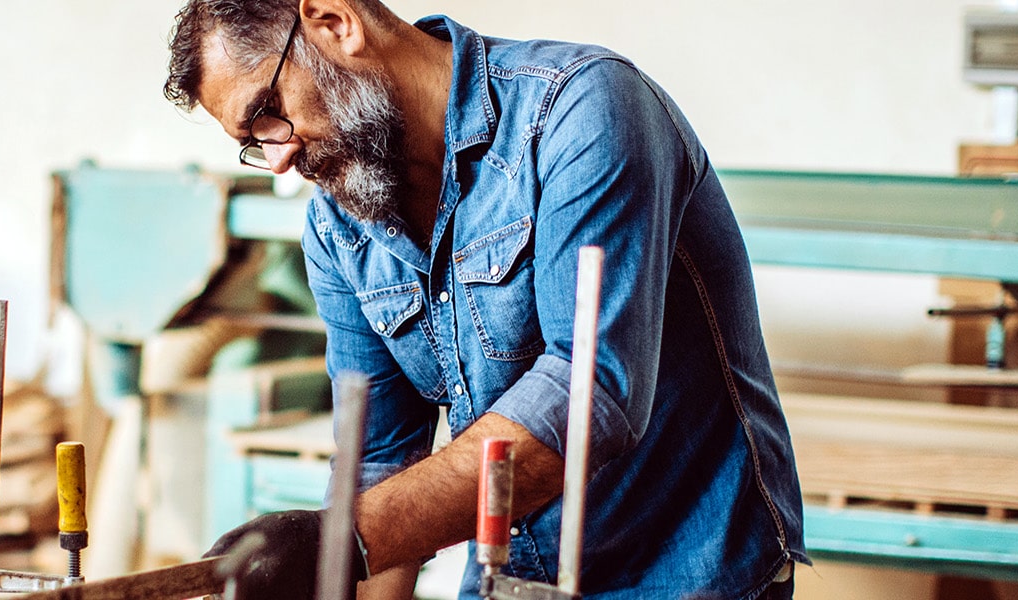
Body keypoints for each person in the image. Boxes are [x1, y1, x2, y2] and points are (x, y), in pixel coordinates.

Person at [163, 1, 806, 598]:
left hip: (688, 574)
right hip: (510, 577)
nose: (276, 160)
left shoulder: (580, 109)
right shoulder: (340, 227)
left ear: (335, 23)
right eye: (253, 142)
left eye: (267, 113)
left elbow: (588, 396)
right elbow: (380, 458)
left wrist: (342, 538)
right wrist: (334, 567)